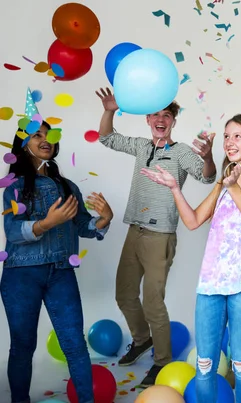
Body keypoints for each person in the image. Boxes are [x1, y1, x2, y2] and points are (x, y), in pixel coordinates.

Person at [141, 83, 241, 403]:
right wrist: (175, 188)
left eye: (237, 136)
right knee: (205, 364)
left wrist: (234, 187)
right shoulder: (224, 180)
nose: (230, 142)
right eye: (227, 135)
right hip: (212, 281)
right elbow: (192, 221)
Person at [95, 87, 217, 387]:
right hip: (133, 231)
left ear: (173, 121)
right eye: (156, 115)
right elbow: (107, 138)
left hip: (160, 235)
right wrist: (110, 110)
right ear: (148, 118)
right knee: (124, 295)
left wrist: (209, 156)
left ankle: (162, 362)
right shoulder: (140, 146)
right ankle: (141, 340)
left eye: (167, 115)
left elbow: (207, 176)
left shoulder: (182, 152)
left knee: (152, 302)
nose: (161, 120)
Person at [1, 88, 113, 403]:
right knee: (23, 345)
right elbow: (11, 231)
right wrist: (44, 224)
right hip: (21, 275)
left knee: (75, 344)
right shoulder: (14, 187)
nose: (45, 139)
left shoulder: (68, 186)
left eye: (49, 135)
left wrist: (103, 220)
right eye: (37, 135)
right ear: (23, 145)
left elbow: (83, 227)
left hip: (61, 272)